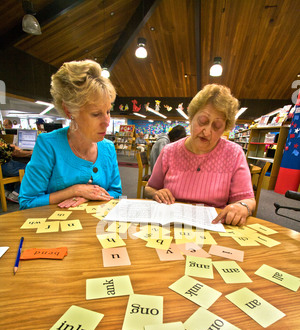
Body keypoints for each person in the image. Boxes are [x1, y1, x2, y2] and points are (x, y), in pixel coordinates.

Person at [145, 84, 256, 226]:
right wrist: (155, 193)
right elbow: (149, 188)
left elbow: (248, 199)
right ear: (191, 118)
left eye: (216, 126)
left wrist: (242, 207)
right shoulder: (169, 151)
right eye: (203, 121)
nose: (207, 131)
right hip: (171, 226)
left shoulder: (234, 153)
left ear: (225, 129)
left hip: (214, 227)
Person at [19, 59, 122, 210]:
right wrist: (75, 191)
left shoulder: (108, 148)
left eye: (108, 111)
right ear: (69, 111)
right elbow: (27, 203)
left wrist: (87, 197)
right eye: (96, 114)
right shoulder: (48, 144)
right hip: (55, 230)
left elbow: (117, 193)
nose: (107, 121)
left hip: (95, 229)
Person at [0, 138, 31, 203]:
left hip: (3, 165)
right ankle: (16, 194)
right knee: (32, 169)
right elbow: (14, 153)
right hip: (4, 166)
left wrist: (9, 146)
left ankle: (6, 190)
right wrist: (31, 152)